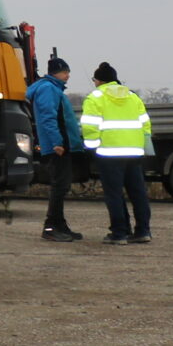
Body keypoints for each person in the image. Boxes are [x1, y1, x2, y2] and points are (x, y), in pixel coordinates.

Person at [80, 61, 154, 244]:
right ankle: (143, 231)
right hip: (134, 152)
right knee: (138, 193)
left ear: (99, 80)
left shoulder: (95, 98)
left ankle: (119, 233)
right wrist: (143, 146)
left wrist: (92, 148)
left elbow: (89, 127)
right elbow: (145, 124)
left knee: (114, 194)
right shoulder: (132, 97)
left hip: (109, 153)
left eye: (94, 80)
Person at [29, 54, 83, 243]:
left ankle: (60, 225)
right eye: (65, 72)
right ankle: (50, 227)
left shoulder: (52, 88)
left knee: (62, 185)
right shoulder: (48, 88)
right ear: (56, 73)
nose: (68, 75)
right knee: (59, 186)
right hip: (58, 146)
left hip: (61, 144)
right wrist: (57, 143)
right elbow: (48, 117)